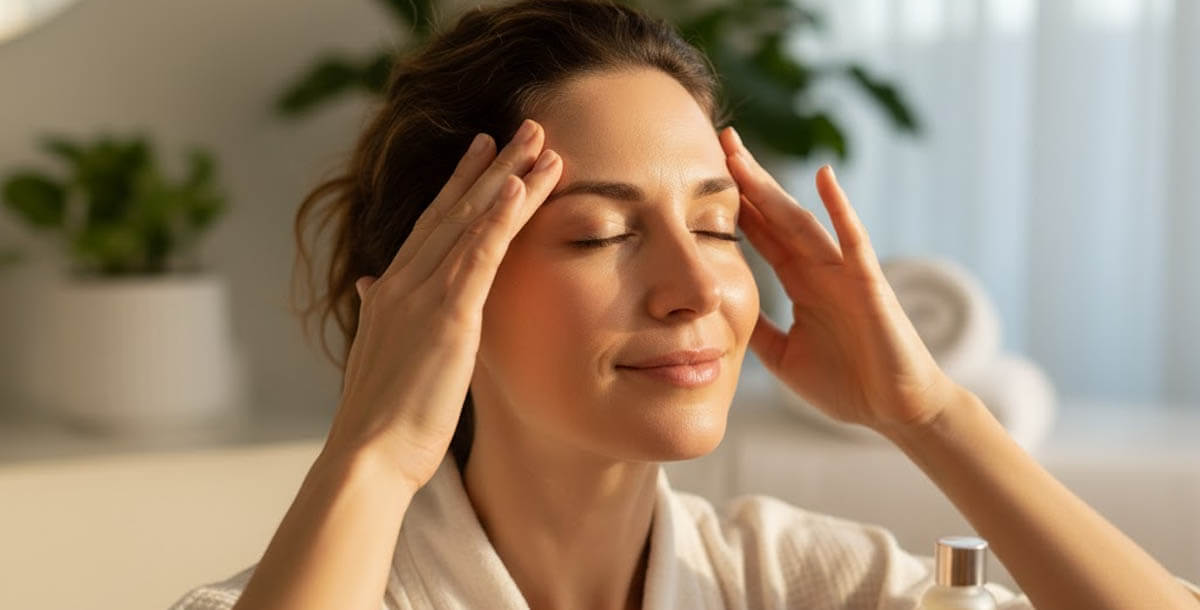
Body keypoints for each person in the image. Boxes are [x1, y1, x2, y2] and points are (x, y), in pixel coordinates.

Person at [169, 0, 1200, 608]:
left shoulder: (789, 580)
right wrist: (374, 453)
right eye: (601, 233)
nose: (699, 285)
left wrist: (934, 417)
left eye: (717, 225)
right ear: (438, 291)